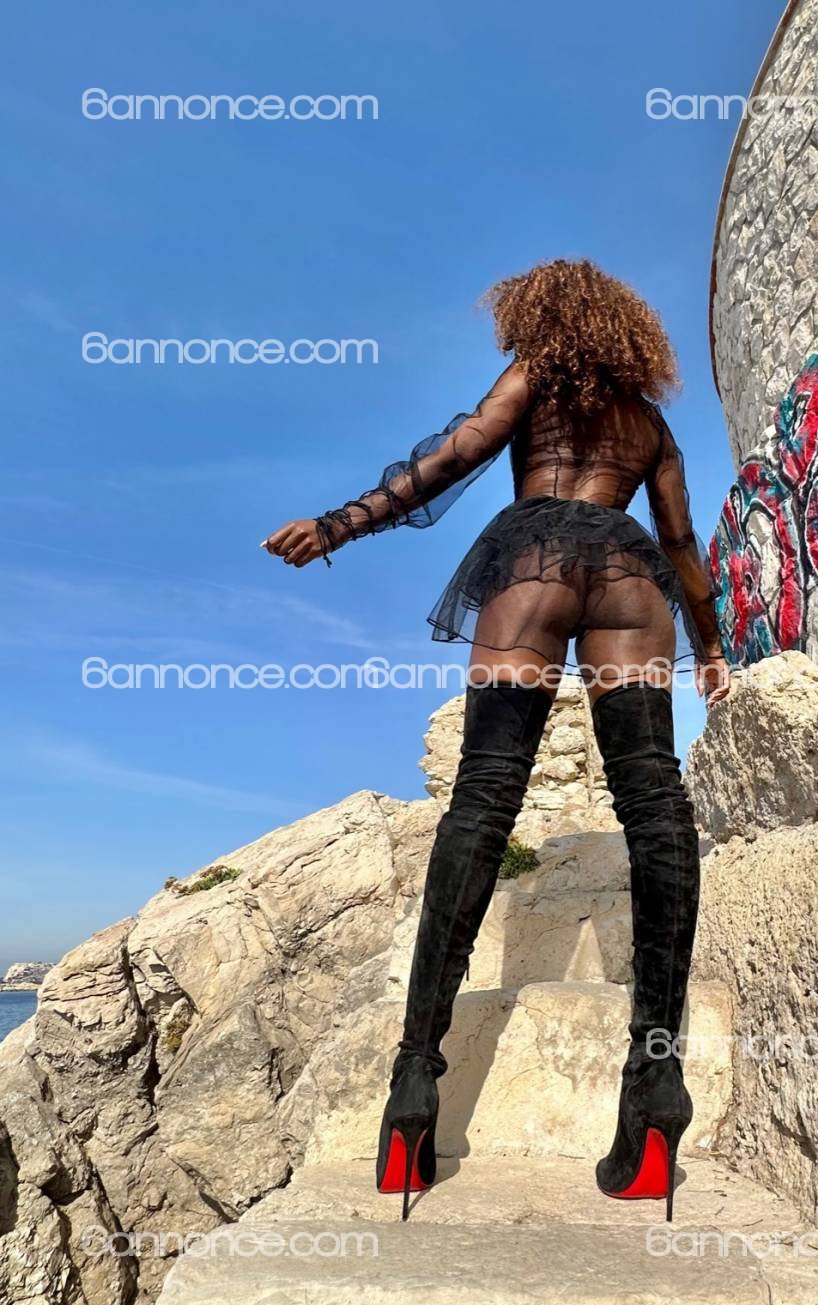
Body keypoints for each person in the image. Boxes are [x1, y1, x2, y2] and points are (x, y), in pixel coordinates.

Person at [266, 258, 731, 1221]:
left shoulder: (534, 379)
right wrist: (713, 644)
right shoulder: (649, 424)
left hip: (534, 571)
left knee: (484, 799)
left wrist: (337, 526)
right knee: (655, 802)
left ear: (539, 318)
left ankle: (415, 1080)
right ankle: (656, 1077)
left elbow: (451, 458)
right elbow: (681, 541)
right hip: (630, 580)